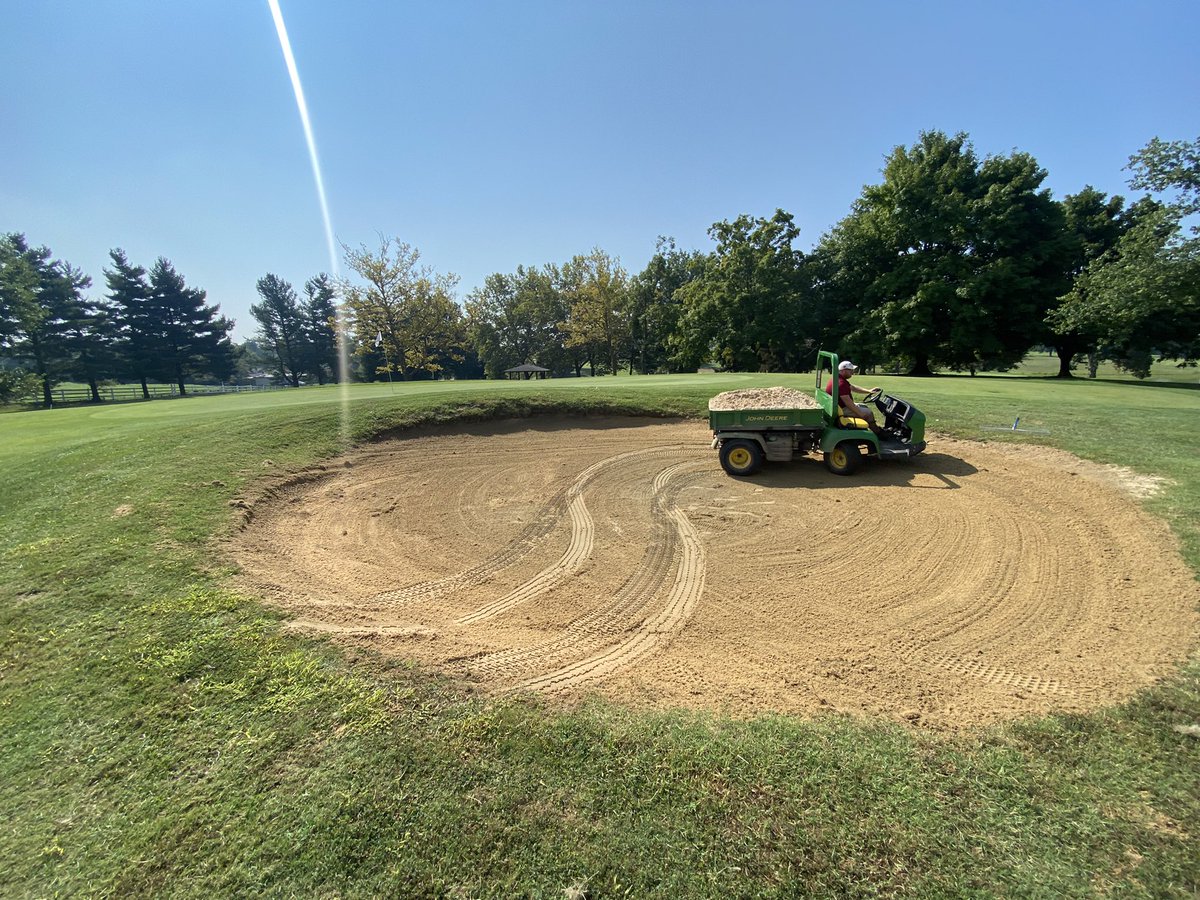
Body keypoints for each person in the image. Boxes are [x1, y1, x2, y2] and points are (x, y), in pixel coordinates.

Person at [825, 360, 883, 434]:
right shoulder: (841, 383)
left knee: (864, 406)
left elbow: (853, 388)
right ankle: (878, 433)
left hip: (838, 407)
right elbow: (848, 403)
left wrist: (869, 391)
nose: (853, 373)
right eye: (851, 371)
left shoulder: (838, 379)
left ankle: (875, 429)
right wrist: (860, 414)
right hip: (841, 410)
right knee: (868, 413)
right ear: (843, 371)